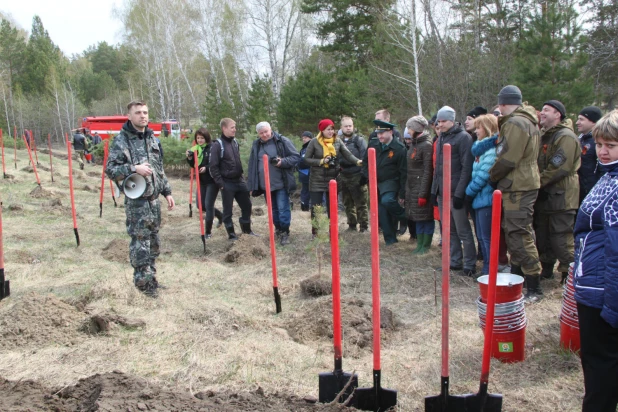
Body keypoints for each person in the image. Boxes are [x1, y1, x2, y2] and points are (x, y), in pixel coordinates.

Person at [105, 101, 175, 297]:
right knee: (140, 243)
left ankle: (151, 279)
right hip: (137, 202)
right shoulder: (122, 141)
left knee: (153, 242)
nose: (142, 116)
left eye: (145, 112)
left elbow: (158, 169)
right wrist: (134, 169)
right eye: (138, 113)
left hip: (154, 201)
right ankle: (142, 285)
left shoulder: (152, 139)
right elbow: (110, 170)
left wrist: (167, 192)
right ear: (129, 116)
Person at [573, 110, 618, 412]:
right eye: (600, 144)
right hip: (591, 286)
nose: (602, 151)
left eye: (611, 145)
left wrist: (613, 307)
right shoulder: (607, 176)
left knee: (601, 369)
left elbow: (616, 252)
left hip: (603, 295)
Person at [489, 85, 543, 303]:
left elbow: (508, 158)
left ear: (502, 104)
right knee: (516, 231)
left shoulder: (515, 123)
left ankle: (534, 287)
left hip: (518, 184)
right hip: (521, 183)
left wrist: (492, 176)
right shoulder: (527, 120)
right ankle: (519, 277)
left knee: (519, 233)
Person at [535, 100, 580, 284]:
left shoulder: (566, 137)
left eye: (546, 110)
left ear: (558, 114)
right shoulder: (545, 136)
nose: (542, 113)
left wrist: (537, 184)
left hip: (562, 195)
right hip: (546, 194)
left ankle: (569, 274)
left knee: (561, 236)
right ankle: (546, 268)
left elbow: (558, 167)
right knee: (543, 235)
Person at [431, 106, 476, 275]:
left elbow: (466, 168)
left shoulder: (463, 138)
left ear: (452, 120)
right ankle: (455, 261)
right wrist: (434, 191)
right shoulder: (441, 137)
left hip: (455, 192)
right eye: (438, 121)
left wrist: (459, 193)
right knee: (449, 230)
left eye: (443, 121)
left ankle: (470, 264)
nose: (440, 124)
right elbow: (438, 168)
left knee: (463, 230)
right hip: (442, 193)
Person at [304, 119, 361, 237]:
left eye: (332, 129)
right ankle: (316, 232)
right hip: (317, 179)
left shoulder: (337, 141)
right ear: (322, 130)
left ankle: (333, 232)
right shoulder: (314, 142)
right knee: (316, 208)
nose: (331, 132)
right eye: (328, 129)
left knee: (332, 208)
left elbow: (348, 154)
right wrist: (321, 161)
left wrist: (358, 161)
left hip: (333, 179)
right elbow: (306, 159)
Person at [247, 122, 300, 246]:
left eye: (266, 131)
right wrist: (252, 184)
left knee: (283, 208)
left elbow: (296, 157)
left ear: (271, 130)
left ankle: (285, 232)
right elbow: (252, 164)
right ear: (258, 134)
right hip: (265, 185)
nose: (264, 135)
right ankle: (278, 230)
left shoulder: (282, 141)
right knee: (273, 210)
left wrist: (282, 162)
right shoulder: (256, 144)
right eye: (261, 133)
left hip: (281, 183)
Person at [362, 119, 407, 245]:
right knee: (382, 212)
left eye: (383, 133)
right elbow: (365, 162)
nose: (380, 135)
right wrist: (367, 176)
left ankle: (405, 217)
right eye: (378, 132)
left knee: (387, 201)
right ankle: (390, 239)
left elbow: (404, 172)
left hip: (391, 181)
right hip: (375, 182)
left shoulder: (399, 148)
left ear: (391, 132)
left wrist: (402, 193)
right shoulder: (373, 144)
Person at [209, 118, 255, 240]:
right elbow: (213, 167)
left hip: (239, 181)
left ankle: (247, 231)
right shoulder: (217, 145)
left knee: (247, 206)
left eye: (235, 127)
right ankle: (232, 234)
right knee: (228, 210)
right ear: (224, 128)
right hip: (227, 183)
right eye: (232, 127)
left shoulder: (235, 142)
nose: (235, 129)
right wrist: (221, 184)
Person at [465, 114, 499, 275]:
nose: (476, 130)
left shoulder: (491, 150)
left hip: (486, 199)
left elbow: (484, 175)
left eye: (478, 127)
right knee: (481, 235)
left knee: (487, 237)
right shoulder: (480, 149)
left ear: (487, 128)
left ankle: (489, 268)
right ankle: (486, 265)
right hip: (479, 199)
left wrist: (469, 192)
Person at [185, 128, 223, 238]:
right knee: (200, 205)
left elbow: (216, 163)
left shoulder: (212, 147)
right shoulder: (195, 149)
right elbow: (193, 165)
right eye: (198, 138)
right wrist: (190, 157)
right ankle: (220, 215)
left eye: (202, 138)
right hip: (201, 181)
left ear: (206, 137)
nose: (200, 140)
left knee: (208, 205)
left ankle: (208, 232)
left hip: (212, 181)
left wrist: (206, 168)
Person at [405, 116, 434, 253]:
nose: (408, 131)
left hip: (422, 187)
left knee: (425, 217)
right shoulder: (414, 144)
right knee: (417, 216)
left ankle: (425, 245)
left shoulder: (426, 146)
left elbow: (428, 171)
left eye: (409, 128)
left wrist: (423, 193)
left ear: (416, 129)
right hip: (412, 186)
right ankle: (419, 244)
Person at [338, 116, 369, 232]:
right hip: (343, 174)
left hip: (357, 174)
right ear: (341, 127)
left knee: (361, 203)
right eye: (346, 126)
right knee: (347, 202)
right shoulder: (338, 141)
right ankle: (351, 224)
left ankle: (364, 226)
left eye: (350, 126)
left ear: (353, 127)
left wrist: (363, 175)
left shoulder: (359, 140)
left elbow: (364, 158)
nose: (348, 128)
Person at [577, 106, 604, 203]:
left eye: (581, 119)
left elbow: (603, 168)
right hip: (579, 189)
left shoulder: (599, 142)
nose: (577, 122)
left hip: (592, 191)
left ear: (593, 121)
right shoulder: (580, 139)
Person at [298, 131, 313, 211]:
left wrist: (299, 163)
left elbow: (306, 161)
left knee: (312, 191)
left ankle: (316, 208)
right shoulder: (303, 148)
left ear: (310, 138)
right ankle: (305, 207)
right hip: (304, 174)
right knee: (305, 191)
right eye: (303, 138)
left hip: (310, 173)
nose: (304, 139)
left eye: (306, 137)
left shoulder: (311, 147)